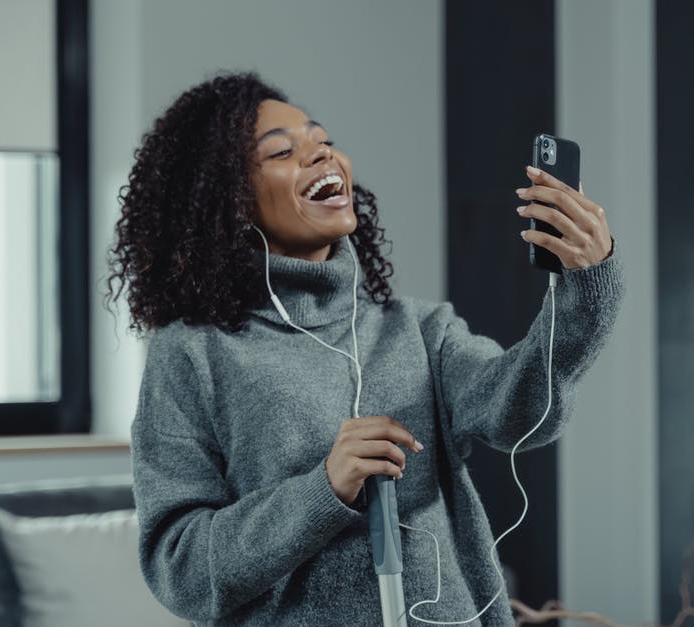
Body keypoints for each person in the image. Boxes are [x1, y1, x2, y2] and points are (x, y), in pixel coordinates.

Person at [106, 71, 623, 626]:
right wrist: (324, 488)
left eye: (323, 142)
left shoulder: (419, 329)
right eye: (283, 152)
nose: (321, 157)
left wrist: (586, 287)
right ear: (228, 201)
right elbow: (179, 570)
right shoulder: (192, 354)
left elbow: (522, 415)